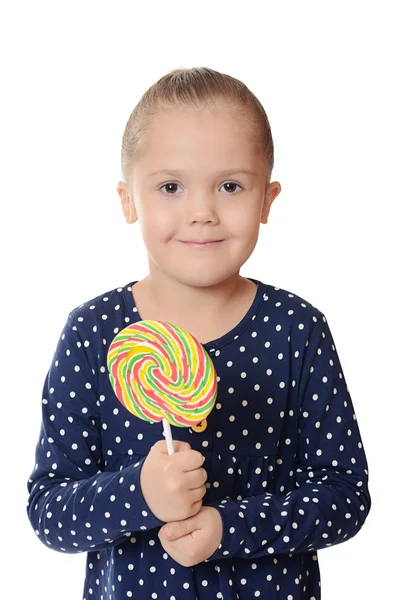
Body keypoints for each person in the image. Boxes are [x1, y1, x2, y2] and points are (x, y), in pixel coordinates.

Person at [26, 66, 371, 600]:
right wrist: (139, 494)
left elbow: (346, 496)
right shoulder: (94, 334)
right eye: (170, 187)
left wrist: (229, 529)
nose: (202, 212)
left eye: (230, 186)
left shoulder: (296, 331)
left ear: (267, 200)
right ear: (128, 200)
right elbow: (49, 513)